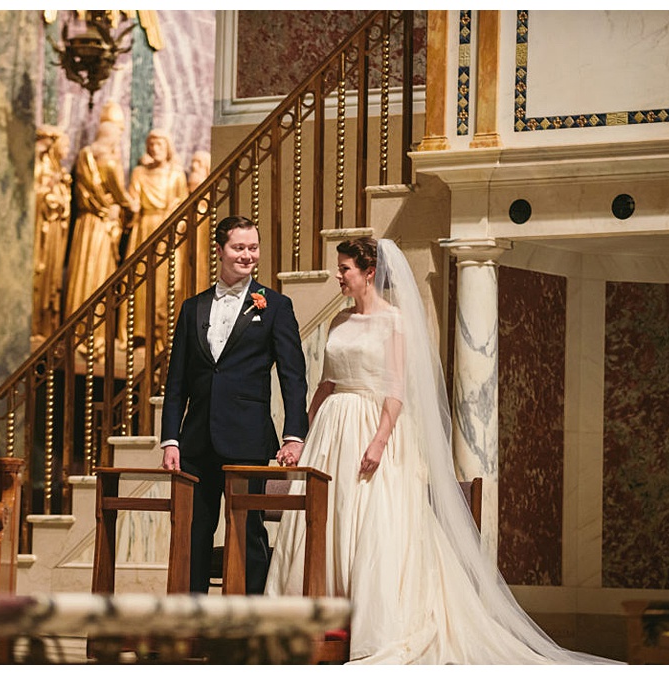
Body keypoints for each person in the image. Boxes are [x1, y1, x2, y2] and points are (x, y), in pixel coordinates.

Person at [266, 237, 618, 664]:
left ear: (368, 273)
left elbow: (396, 388)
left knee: (373, 523)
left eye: (345, 269)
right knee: (328, 519)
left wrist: (379, 440)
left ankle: (373, 623)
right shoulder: (339, 322)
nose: (338, 276)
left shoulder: (395, 322)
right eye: (339, 269)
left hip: (372, 429)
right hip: (332, 431)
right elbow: (325, 383)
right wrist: (300, 433)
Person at [160, 215, 309, 594]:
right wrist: (171, 440)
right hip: (195, 441)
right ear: (220, 251)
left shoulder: (275, 305)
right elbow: (176, 381)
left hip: (248, 437)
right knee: (194, 531)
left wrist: (294, 435)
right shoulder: (192, 308)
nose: (247, 255)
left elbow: (292, 376)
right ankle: (191, 624)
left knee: (247, 530)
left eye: (253, 248)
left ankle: (248, 622)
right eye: (239, 247)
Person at [64, 104, 135, 359]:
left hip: (84, 225)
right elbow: (119, 193)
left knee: (80, 275)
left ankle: (75, 330)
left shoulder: (84, 155)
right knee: (97, 277)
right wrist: (130, 205)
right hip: (102, 228)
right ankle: (94, 334)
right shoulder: (108, 160)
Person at [116, 128, 189, 351]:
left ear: (167, 148)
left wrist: (175, 226)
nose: (155, 149)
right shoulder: (139, 173)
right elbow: (132, 203)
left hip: (166, 230)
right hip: (143, 229)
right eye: (152, 144)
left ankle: (163, 336)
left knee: (165, 284)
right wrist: (130, 208)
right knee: (139, 281)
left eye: (160, 144)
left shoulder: (176, 175)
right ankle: (135, 334)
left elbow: (183, 206)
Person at [31, 124, 73, 340]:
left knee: (53, 277)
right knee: (39, 272)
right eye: (64, 145)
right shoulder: (41, 168)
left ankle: (47, 327)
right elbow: (34, 195)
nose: (67, 149)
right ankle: (34, 324)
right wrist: (49, 196)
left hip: (56, 231)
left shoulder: (60, 173)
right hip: (42, 231)